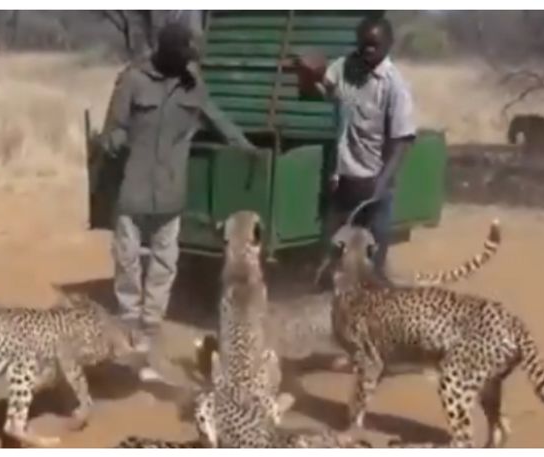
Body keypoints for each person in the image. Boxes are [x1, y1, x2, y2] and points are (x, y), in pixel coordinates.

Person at [98, 21, 258, 380]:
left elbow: (216, 119)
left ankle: (150, 331)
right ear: (166, 51)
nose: (188, 63)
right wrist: (115, 142)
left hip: (171, 192)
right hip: (134, 188)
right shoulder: (133, 80)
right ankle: (128, 326)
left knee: (164, 264)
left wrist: (246, 146)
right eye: (183, 55)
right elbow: (114, 127)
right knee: (126, 259)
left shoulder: (192, 85)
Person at [292, 15, 417, 285]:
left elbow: (403, 140)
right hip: (343, 182)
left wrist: (381, 185)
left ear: (388, 45)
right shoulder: (345, 66)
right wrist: (306, 73)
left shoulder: (394, 86)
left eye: (375, 44)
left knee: (371, 268)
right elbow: (318, 90)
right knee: (334, 259)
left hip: (373, 186)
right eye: (364, 44)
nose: (368, 49)